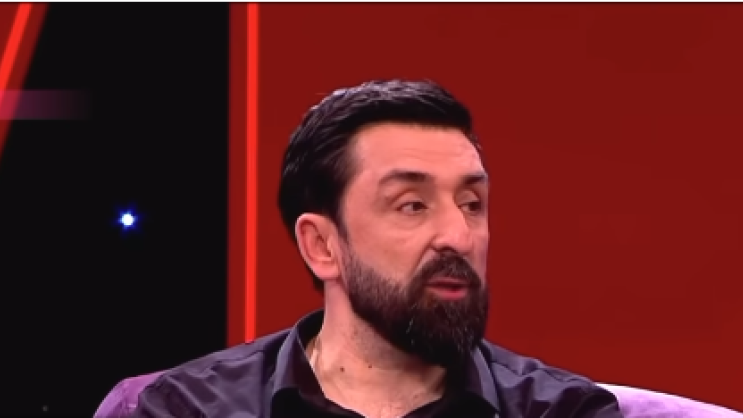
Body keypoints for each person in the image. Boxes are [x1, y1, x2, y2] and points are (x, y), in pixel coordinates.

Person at [130, 80, 624, 418]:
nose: (459, 236)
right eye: (412, 205)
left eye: (471, 204)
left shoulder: (563, 410)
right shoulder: (190, 409)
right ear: (322, 246)